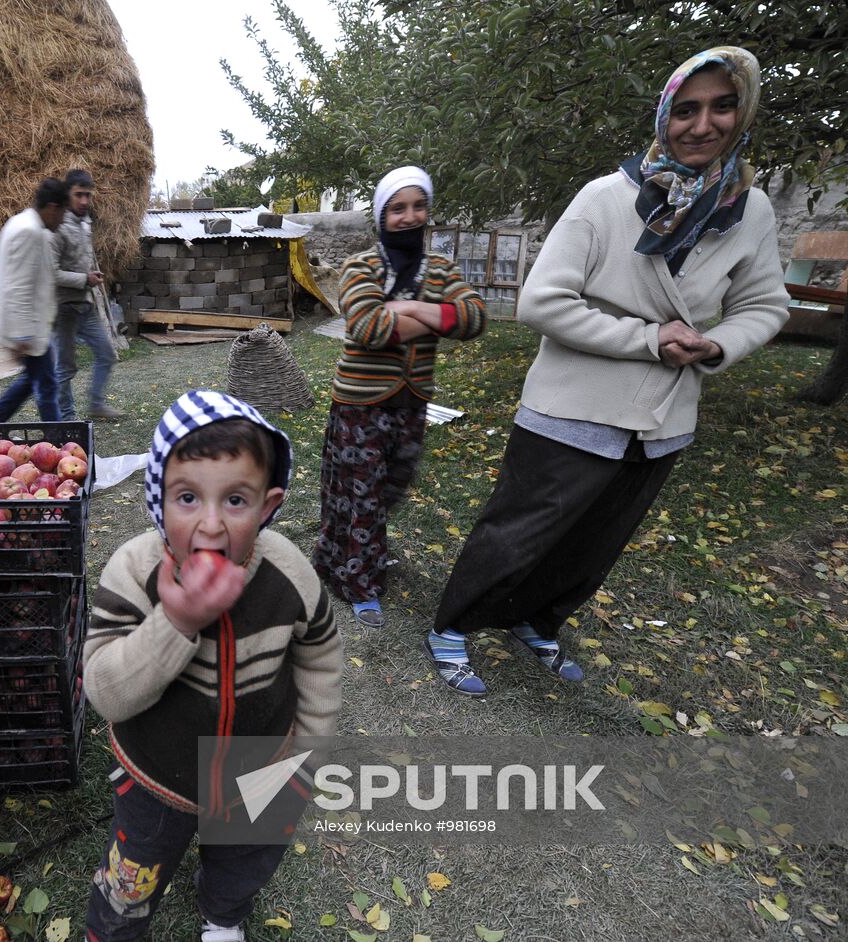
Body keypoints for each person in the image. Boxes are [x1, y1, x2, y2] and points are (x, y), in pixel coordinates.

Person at [427, 46, 790, 697]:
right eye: (686, 109)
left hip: (663, 418)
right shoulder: (607, 198)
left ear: (744, 112)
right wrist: (650, 339)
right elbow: (542, 301)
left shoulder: (751, 212)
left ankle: (537, 621)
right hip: (572, 406)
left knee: (595, 544)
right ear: (664, 116)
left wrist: (717, 346)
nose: (702, 124)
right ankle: (453, 625)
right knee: (517, 532)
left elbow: (765, 304)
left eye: (722, 106)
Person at [83, 389, 343, 942]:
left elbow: (320, 654)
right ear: (157, 498)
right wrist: (173, 623)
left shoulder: (289, 574)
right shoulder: (134, 571)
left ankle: (223, 917)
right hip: (158, 776)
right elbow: (105, 691)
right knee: (131, 878)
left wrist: (309, 752)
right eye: (186, 498)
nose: (210, 526)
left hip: (262, 767)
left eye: (235, 500)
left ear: (268, 505)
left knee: (247, 859)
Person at [312, 166, 486, 628]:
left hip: (412, 404)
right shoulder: (360, 266)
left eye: (418, 206)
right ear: (381, 214)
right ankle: (360, 583)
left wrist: (408, 306)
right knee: (360, 493)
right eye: (398, 208)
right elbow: (369, 328)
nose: (409, 216)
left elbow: (473, 318)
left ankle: (337, 554)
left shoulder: (441, 269)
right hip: (361, 403)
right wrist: (438, 315)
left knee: (390, 488)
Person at [0, 178, 68, 423]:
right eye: (62, 213)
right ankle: (60, 442)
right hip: (27, 330)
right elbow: (19, 286)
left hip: (30, 329)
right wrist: (22, 336)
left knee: (32, 383)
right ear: (52, 207)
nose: (62, 221)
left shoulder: (21, 223)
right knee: (47, 388)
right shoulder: (29, 231)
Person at [53, 168, 122, 420]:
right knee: (64, 369)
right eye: (78, 195)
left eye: (87, 195)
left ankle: (96, 404)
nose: (84, 201)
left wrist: (88, 274)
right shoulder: (57, 226)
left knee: (106, 354)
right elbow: (51, 274)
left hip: (84, 304)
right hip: (63, 309)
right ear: (67, 195)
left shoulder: (85, 223)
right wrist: (85, 278)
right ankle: (66, 419)